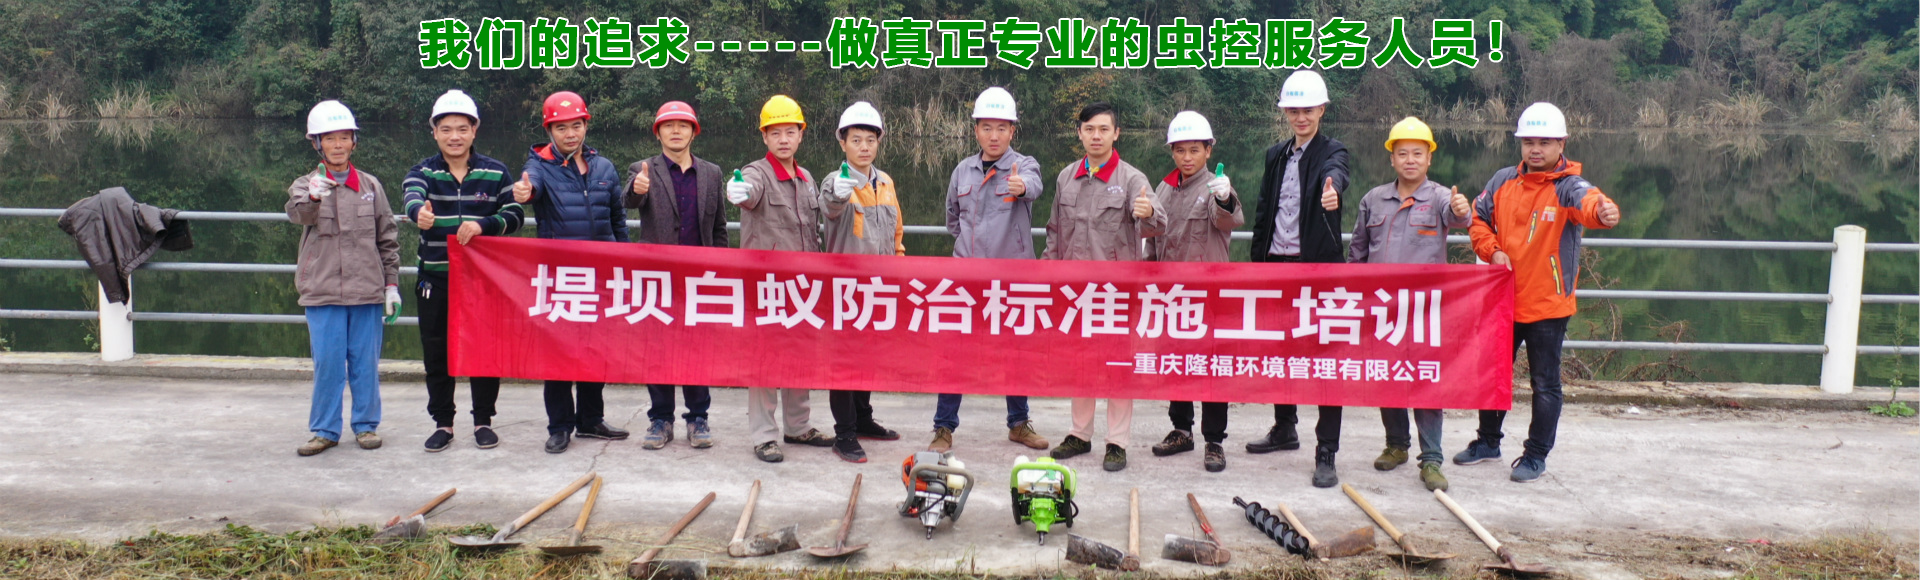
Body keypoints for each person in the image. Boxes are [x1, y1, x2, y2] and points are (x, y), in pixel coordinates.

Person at [1459, 102, 1621, 483]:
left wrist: (1604, 212)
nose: (1535, 149)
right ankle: (1488, 441)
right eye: (1529, 141)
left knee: (1545, 383)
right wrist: (1492, 251)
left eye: (1545, 142)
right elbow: (1478, 220)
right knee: (1493, 374)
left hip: (1547, 305)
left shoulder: (1568, 187)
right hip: (1502, 299)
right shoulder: (1502, 181)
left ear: (1561, 143)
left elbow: (1590, 203)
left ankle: (1535, 455)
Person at [1347, 116, 1471, 491]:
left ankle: (1431, 459)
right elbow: (1357, 253)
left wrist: (1461, 208)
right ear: (1392, 158)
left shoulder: (1439, 198)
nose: (1410, 160)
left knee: (1425, 381)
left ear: (1429, 157)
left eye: (1418, 153)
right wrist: (1355, 296)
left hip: (1423, 311)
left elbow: (1459, 218)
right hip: (1383, 309)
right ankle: (1396, 445)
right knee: (1388, 378)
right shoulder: (1373, 199)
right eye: (1403, 153)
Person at [1044, 102, 1166, 472]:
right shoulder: (1067, 177)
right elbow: (1054, 232)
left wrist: (1148, 214)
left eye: (1103, 129)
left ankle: (1117, 442)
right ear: (1079, 133)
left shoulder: (1131, 179)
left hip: (1117, 294)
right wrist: (1048, 277)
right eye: (1089, 129)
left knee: (1117, 366)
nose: (1096, 136)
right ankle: (1079, 435)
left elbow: (1158, 223)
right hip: (1075, 293)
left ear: (1116, 134)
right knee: (1080, 364)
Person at [403, 90, 523, 453]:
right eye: (446, 129)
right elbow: (412, 197)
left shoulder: (495, 171)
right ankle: (443, 423)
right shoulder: (423, 171)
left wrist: (484, 225)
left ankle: (483, 421)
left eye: (462, 128)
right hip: (436, 279)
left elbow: (515, 214)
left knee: (485, 351)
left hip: (483, 281)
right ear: (434, 132)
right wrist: (419, 214)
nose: (454, 136)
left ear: (474, 130)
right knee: (436, 353)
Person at [512, 91, 632, 454]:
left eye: (576, 125)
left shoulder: (604, 167)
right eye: (561, 127)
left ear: (585, 126)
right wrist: (524, 191)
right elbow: (530, 187)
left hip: (601, 277)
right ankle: (560, 426)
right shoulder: (539, 166)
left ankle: (591, 420)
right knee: (559, 354)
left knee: (596, 351)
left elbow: (618, 220)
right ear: (549, 130)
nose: (570, 134)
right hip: (561, 279)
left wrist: (626, 264)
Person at [933, 86, 1051, 454]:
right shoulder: (962, 170)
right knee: (955, 353)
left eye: (1002, 128)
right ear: (976, 130)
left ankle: (1019, 423)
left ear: (1012, 131)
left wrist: (1020, 187)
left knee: (1015, 352)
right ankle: (943, 428)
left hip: (1012, 281)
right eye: (987, 127)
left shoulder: (1024, 166)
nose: (994, 135)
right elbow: (953, 219)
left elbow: (1034, 186)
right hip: (966, 280)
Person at [1247, 70, 1351, 487]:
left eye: (1308, 110)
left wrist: (1333, 189)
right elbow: (1263, 211)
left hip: (1317, 269)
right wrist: (1256, 265)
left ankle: (1326, 450)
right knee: (1280, 351)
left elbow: (1337, 172)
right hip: (1276, 265)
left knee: (1327, 360)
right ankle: (1284, 427)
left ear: (1322, 110)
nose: (1301, 117)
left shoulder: (1333, 150)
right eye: (1293, 110)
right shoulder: (1276, 155)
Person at [284, 100, 399, 457]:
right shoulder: (304, 185)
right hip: (323, 292)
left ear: (354, 142)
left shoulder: (370, 186)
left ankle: (366, 426)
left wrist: (391, 286)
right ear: (316, 143)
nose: (338, 145)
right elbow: (298, 215)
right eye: (329, 138)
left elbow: (387, 238)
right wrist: (314, 197)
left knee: (365, 364)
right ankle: (324, 430)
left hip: (367, 291)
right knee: (329, 365)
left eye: (344, 137)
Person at [728, 94, 835, 463]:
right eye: (775, 133)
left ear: (801, 135)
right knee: (764, 360)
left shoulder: (806, 179)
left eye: (790, 132)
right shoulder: (757, 173)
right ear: (764, 137)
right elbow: (747, 191)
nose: (784, 139)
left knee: (800, 357)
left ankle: (798, 426)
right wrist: (738, 192)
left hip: (803, 288)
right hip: (767, 288)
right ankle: (763, 436)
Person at [1144, 111, 1243, 473]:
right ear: (1172, 151)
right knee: (1177, 361)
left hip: (1209, 294)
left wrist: (1225, 199)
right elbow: (1154, 238)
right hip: (1171, 294)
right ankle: (1181, 429)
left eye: (1194, 150)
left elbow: (1230, 219)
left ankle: (1214, 440)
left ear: (1208, 150)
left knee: (1212, 366)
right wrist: (1147, 276)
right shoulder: (1163, 189)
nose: (1187, 157)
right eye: (1180, 150)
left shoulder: (1217, 185)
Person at [624, 101, 725, 452]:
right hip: (658, 277)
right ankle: (660, 419)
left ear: (694, 132)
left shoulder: (711, 173)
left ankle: (698, 418)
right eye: (669, 126)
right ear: (658, 133)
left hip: (699, 278)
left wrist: (721, 271)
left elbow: (719, 227)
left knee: (697, 349)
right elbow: (628, 202)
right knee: (658, 349)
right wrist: (636, 189)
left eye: (684, 125)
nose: (676, 131)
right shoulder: (643, 169)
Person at [817, 101, 905, 463]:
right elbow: (830, 207)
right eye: (856, 140)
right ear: (843, 142)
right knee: (844, 361)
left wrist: (899, 271)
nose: (864, 147)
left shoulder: (886, 182)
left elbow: (896, 232)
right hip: (845, 290)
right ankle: (845, 434)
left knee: (868, 356)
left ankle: (864, 419)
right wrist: (840, 192)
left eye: (870, 139)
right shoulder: (835, 181)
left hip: (878, 288)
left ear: (878, 142)